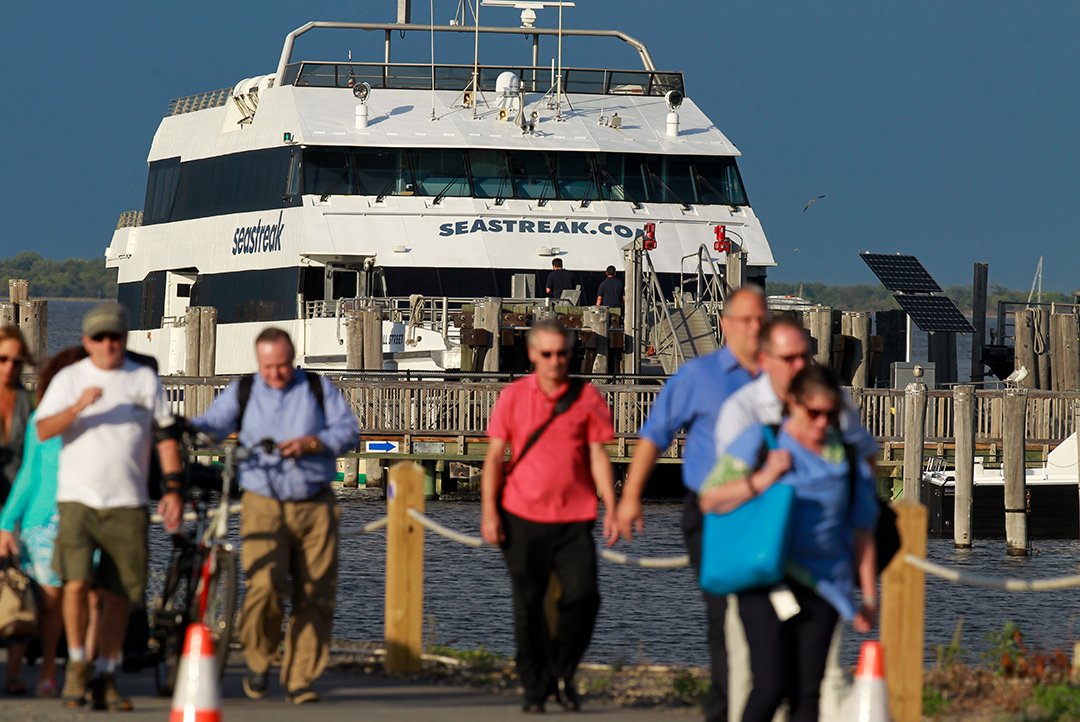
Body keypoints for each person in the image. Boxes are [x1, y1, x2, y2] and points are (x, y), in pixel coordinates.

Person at [614, 285, 767, 722]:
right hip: (712, 511)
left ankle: (764, 698)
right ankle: (723, 709)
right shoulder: (698, 377)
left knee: (770, 612)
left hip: (768, 511)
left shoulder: (781, 377)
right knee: (723, 613)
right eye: (743, 320)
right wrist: (630, 498)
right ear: (725, 324)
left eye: (760, 320)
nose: (752, 329)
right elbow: (655, 436)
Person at [713, 316, 878, 718]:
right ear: (793, 404)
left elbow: (863, 530)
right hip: (768, 576)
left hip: (826, 583)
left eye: (830, 415)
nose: (823, 424)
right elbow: (712, 500)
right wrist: (764, 477)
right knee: (769, 686)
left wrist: (869, 597)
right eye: (814, 414)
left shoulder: (847, 454)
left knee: (808, 692)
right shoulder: (761, 439)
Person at [191, 327, 359, 704]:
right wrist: (187, 428)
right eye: (268, 367)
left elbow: (349, 431)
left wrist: (313, 443)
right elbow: (214, 423)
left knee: (316, 594)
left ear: (292, 357)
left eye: (282, 365)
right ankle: (258, 657)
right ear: (258, 362)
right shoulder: (245, 390)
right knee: (264, 587)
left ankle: (301, 679)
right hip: (263, 500)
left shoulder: (317, 388)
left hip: (315, 501)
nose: (276, 374)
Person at [35, 302, 183, 710]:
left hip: (129, 502)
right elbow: (44, 430)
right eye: (99, 338)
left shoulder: (143, 380)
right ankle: (78, 665)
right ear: (87, 343)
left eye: (114, 337)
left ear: (124, 339)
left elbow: (166, 435)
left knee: (119, 595)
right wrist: (78, 406)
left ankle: (107, 672)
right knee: (77, 584)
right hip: (78, 500)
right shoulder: (69, 379)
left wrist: (172, 489)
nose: (108, 345)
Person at [481, 318, 618, 713]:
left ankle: (562, 671)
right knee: (528, 606)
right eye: (547, 354)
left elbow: (597, 454)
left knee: (584, 596)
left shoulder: (587, 397)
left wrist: (612, 504)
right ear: (532, 355)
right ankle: (535, 687)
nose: (556, 361)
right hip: (520, 516)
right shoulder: (513, 396)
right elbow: (495, 457)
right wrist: (489, 510)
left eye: (562, 353)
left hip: (574, 518)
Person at [0, 347, 87, 698]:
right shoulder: (42, 422)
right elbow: (27, 476)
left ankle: (84, 666)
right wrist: (7, 523)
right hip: (44, 522)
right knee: (50, 602)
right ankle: (49, 669)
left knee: (88, 595)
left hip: (87, 516)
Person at [0, 326, 34, 510]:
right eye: (2, 359)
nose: (9, 367)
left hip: (19, 503)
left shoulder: (31, 403)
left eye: (17, 361)